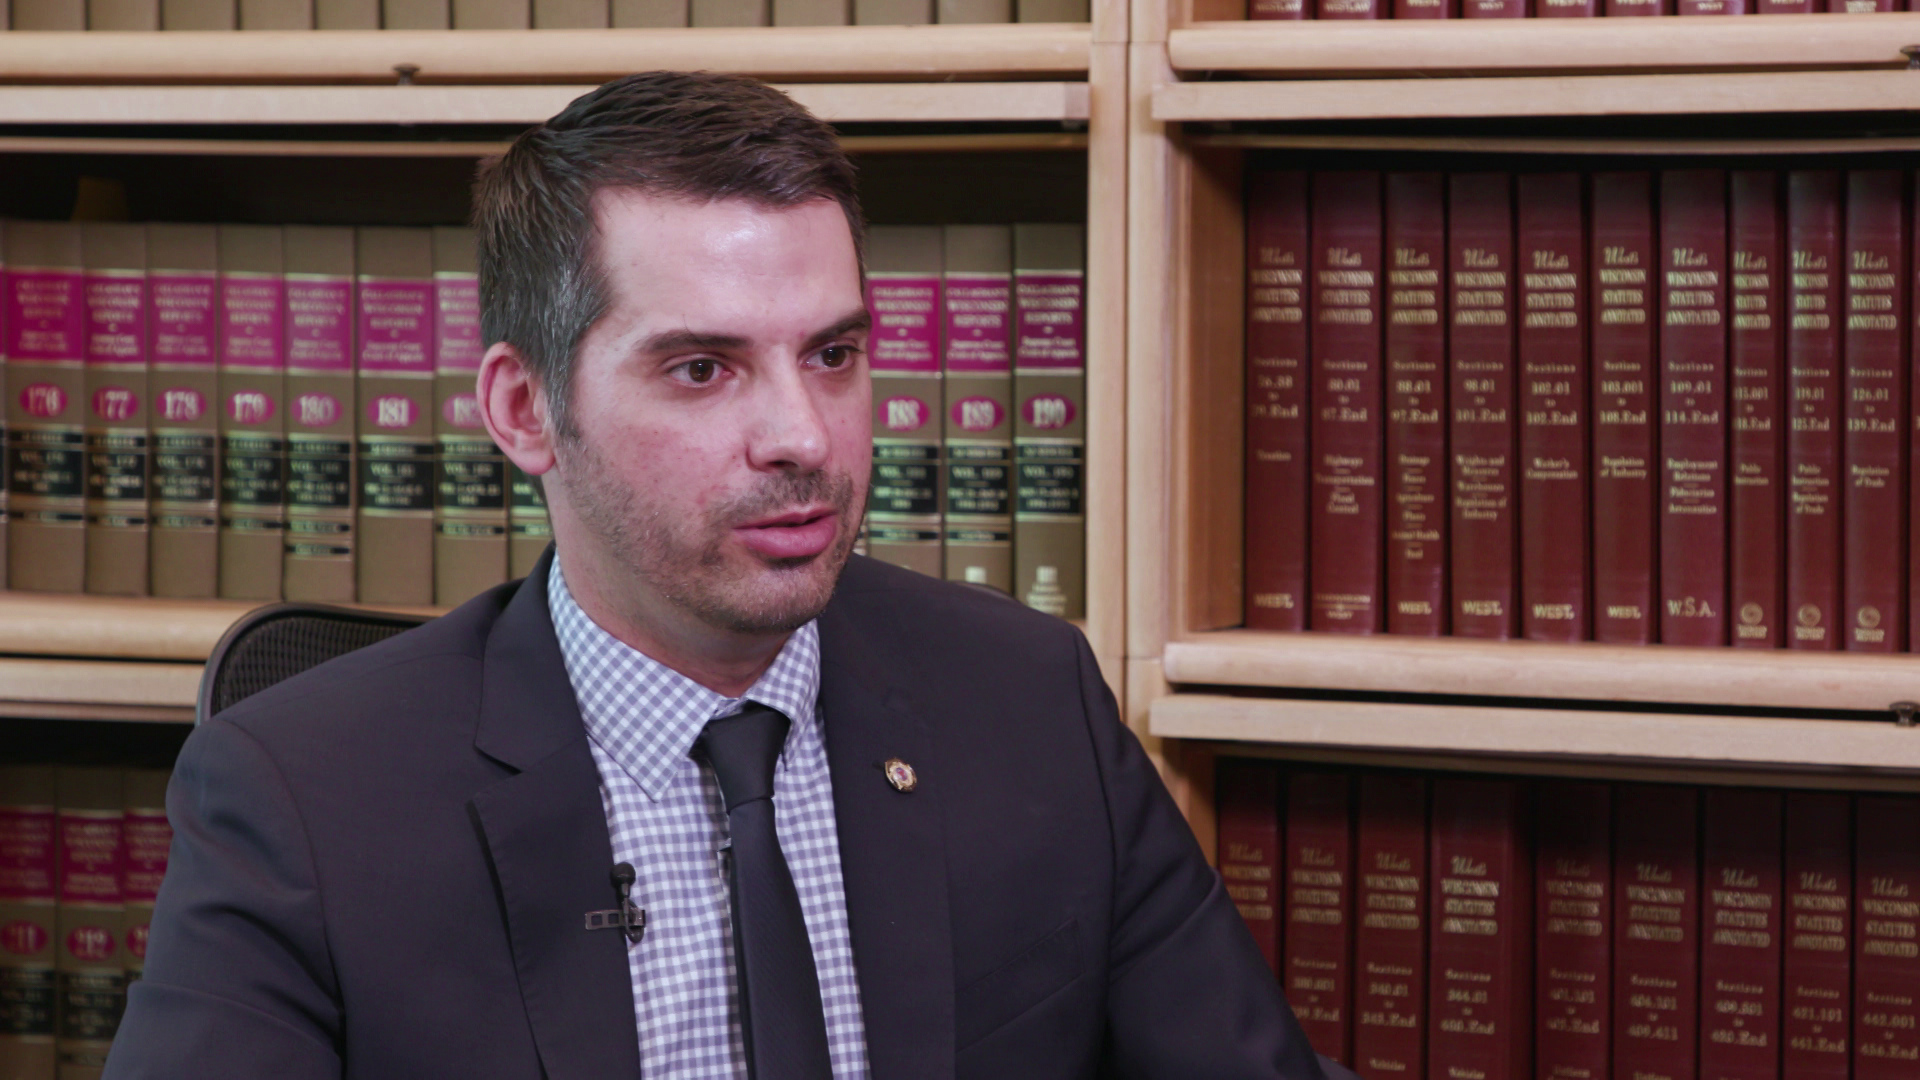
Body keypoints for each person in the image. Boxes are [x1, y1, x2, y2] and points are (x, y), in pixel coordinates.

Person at [106, 71, 1353, 1080]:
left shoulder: (1028, 699)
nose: (805, 437)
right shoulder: (304, 798)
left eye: (834, 353)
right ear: (526, 410)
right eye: (702, 368)